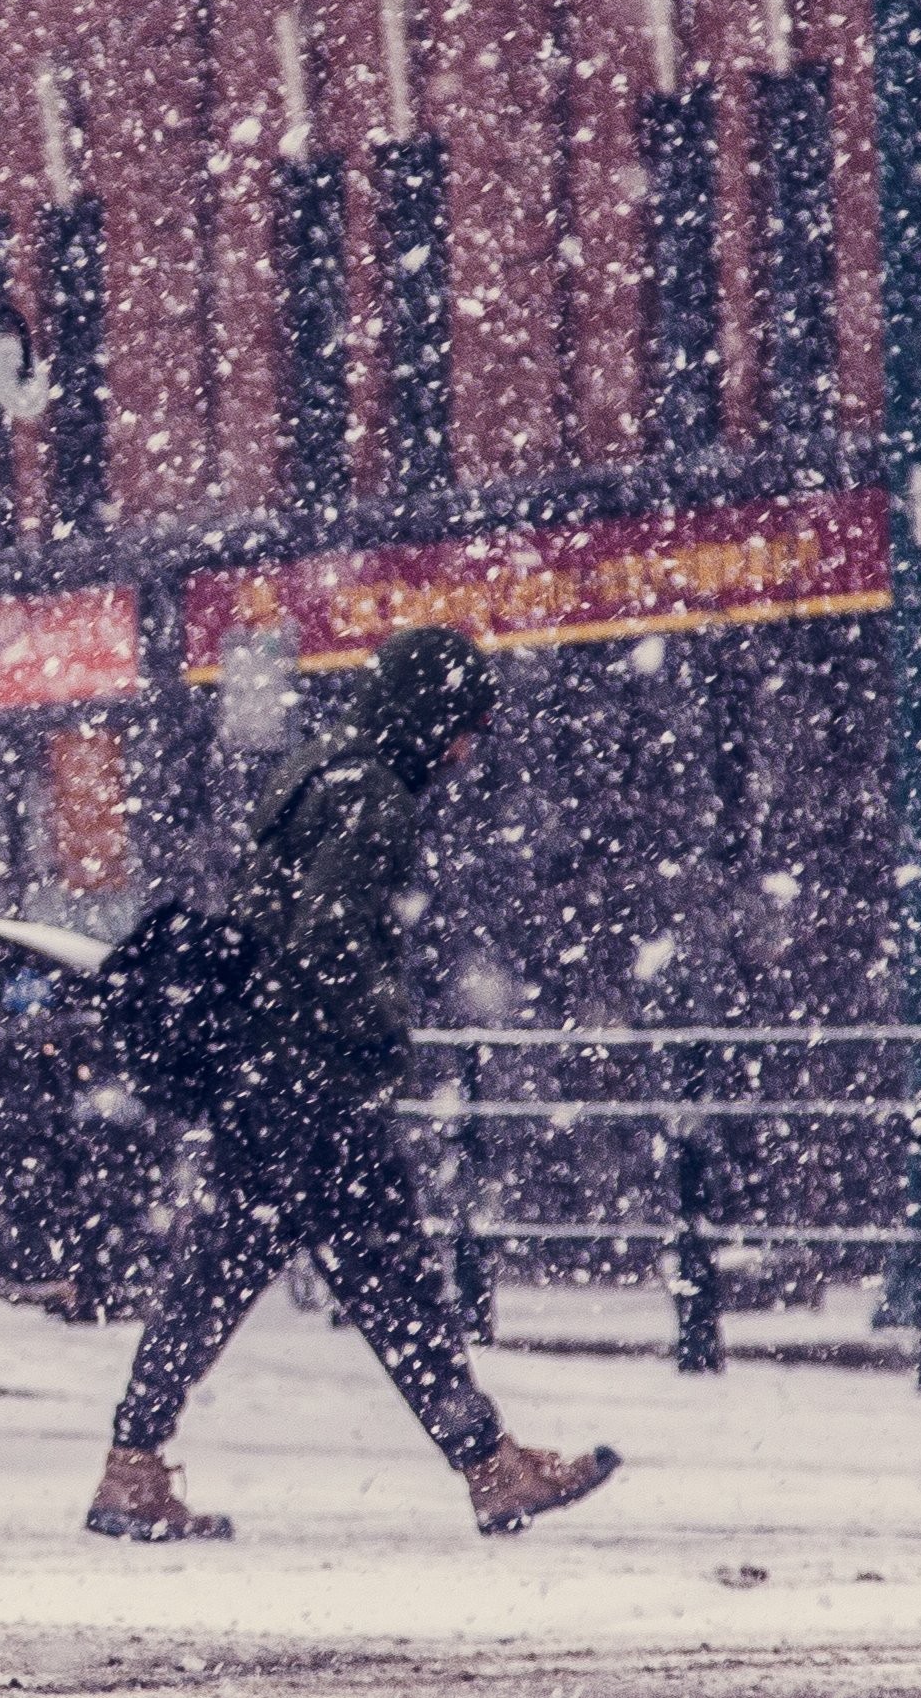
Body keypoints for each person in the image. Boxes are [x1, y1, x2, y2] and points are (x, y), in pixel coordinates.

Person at [87, 623, 616, 1548]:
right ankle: (490, 1467)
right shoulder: (374, 797)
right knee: (380, 1282)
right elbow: (327, 943)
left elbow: (275, 919)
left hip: (265, 1080)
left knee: (243, 1275)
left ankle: (135, 1466)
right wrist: (376, 1039)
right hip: (311, 1089)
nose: (463, 750)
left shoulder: (318, 769)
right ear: (426, 716)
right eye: (461, 727)